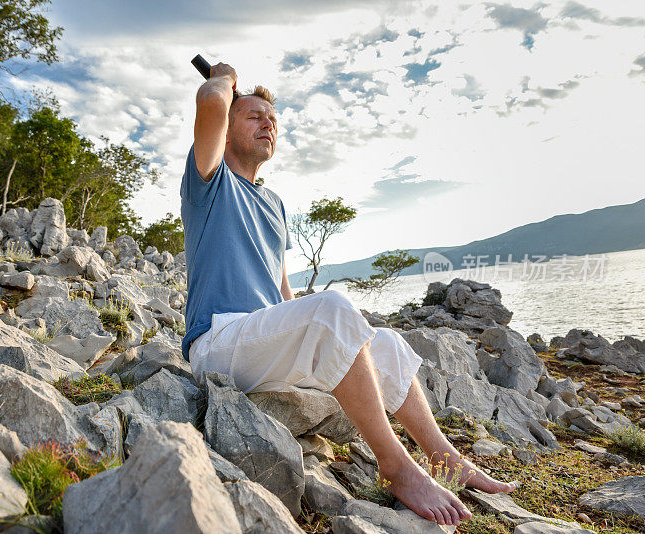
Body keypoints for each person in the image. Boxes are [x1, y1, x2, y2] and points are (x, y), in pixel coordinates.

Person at [179, 62, 518, 527]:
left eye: (272, 119)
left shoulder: (275, 203)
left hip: (262, 346)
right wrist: (223, 76)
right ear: (229, 127)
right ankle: (397, 467)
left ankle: (445, 457)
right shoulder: (209, 179)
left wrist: (315, 335)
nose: (267, 124)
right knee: (334, 310)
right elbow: (210, 102)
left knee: (388, 344)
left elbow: (282, 291)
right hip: (218, 343)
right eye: (253, 115)